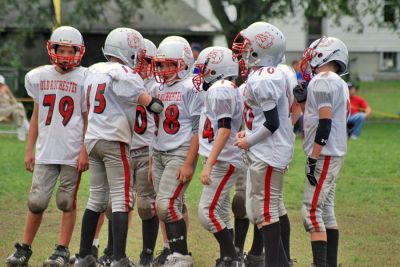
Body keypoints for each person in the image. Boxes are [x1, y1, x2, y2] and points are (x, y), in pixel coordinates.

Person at [74, 28, 163, 267]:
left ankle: (84, 255)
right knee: (122, 199)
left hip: (92, 140)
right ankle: (118, 258)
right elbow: (151, 105)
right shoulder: (125, 73)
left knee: (96, 199)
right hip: (114, 141)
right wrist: (161, 104)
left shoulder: (92, 70)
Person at [6, 25, 88, 267]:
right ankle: (24, 248)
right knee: (36, 202)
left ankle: (62, 250)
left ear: (79, 52)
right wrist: (29, 149)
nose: (64, 55)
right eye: (60, 49)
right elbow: (36, 117)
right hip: (45, 150)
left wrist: (84, 150)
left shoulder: (85, 78)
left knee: (66, 202)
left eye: (69, 50)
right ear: (52, 49)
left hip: (72, 151)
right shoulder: (39, 76)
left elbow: (87, 118)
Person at [232, 22, 294, 267]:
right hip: (265, 150)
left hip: (268, 152)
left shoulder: (265, 78)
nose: (242, 51)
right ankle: (281, 263)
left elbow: (271, 123)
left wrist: (248, 139)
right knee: (261, 210)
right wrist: (247, 134)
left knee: (264, 211)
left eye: (247, 45)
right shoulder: (264, 75)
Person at [294, 36, 349, 267]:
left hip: (325, 154)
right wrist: (305, 103)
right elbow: (318, 117)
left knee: (311, 211)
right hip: (333, 151)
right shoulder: (336, 81)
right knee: (326, 210)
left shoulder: (324, 80)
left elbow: (325, 123)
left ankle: (320, 264)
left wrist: (314, 156)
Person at [151, 37, 203, 267]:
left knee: (166, 205)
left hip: (180, 151)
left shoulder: (192, 87)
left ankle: (182, 255)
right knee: (173, 205)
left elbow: (197, 129)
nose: (163, 69)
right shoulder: (157, 88)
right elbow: (156, 126)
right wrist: (153, 159)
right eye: (161, 64)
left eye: (169, 64)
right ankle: (174, 253)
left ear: (183, 64)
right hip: (160, 152)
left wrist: (189, 163)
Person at [193, 46, 243, 267]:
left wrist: (209, 164)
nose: (201, 74)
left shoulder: (220, 89)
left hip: (223, 159)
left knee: (207, 212)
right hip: (224, 157)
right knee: (221, 210)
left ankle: (232, 256)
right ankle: (229, 257)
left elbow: (223, 130)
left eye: (204, 68)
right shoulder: (224, 88)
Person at [0, 75, 29, 141]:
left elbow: (13, 100)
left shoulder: (6, 88)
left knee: (18, 113)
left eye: (1, 84)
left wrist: (7, 92)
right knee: (19, 105)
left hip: (10, 110)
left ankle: (21, 138)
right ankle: (29, 129)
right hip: (1, 111)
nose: (1, 85)